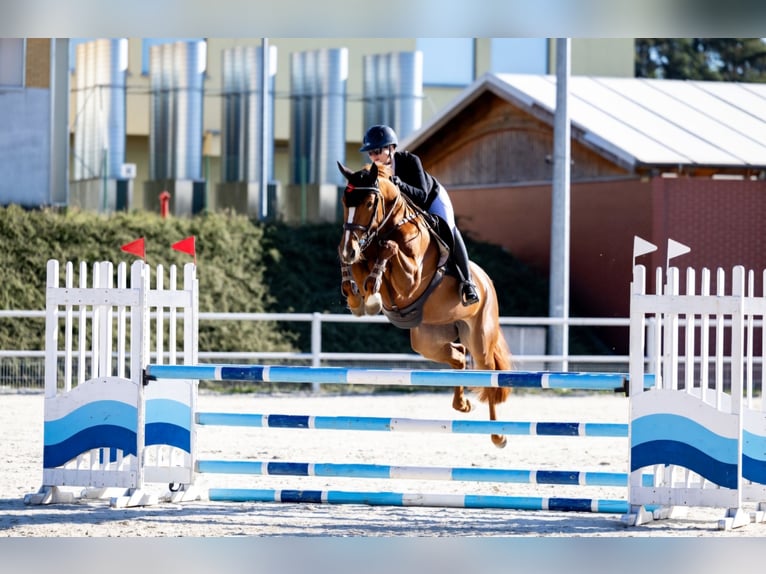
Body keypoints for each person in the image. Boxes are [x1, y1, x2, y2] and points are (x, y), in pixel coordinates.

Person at [360, 124, 480, 307]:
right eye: (370, 153)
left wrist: (399, 184)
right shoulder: (374, 173)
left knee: (449, 228)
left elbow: (422, 195)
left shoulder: (409, 160)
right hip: (404, 209)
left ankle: (467, 282)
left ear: (391, 148)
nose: (374, 156)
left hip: (431, 199)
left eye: (377, 151)